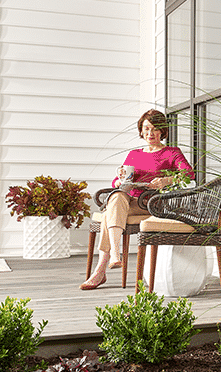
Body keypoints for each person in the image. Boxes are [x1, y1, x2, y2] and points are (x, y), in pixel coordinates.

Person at [80, 109, 194, 290]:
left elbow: (188, 174)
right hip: (131, 201)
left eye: (156, 129)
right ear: (141, 130)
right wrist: (120, 180)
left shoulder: (172, 152)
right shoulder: (134, 154)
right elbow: (119, 182)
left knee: (111, 210)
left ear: (163, 131)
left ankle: (101, 269)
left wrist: (166, 180)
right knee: (116, 197)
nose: (151, 133)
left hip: (154, 204)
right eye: (147, 128)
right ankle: (115, 255)